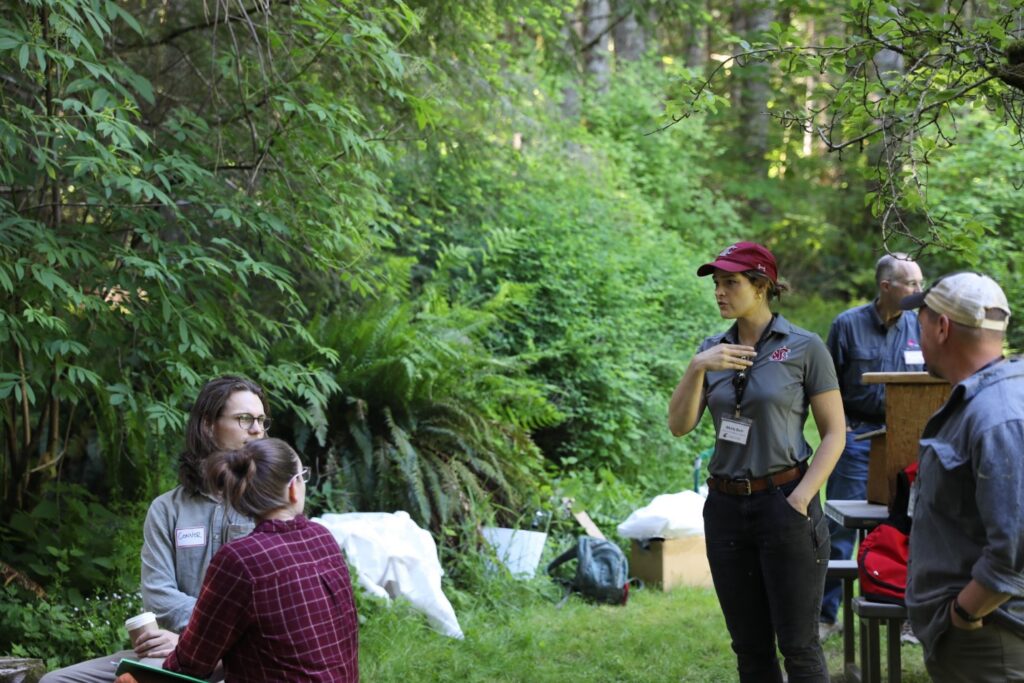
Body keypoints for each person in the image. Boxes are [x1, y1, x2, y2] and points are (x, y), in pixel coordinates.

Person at [668, 241, 845, 682]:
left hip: (784, 503)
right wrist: (697, 367)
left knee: (799, 647)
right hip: (726, 509)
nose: (719, 292)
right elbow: (678, 425)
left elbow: (835, 434)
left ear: (762, 286)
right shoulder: (712, 350)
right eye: (716, 284)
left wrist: (801, 499)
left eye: (731, 283)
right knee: (749, 648)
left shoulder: (804, 348)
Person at [41, 375, 269, 683]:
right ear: (207, 425)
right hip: (172, 650)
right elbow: (158, 595)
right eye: (245, 419)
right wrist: (189, 641)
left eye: (261, 420)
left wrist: (201, 641)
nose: (257, 430)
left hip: (243, 653)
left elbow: (273, 604)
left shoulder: (269, 505)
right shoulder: (167, 509)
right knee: (55, 681)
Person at [899, 272, 1024, 682]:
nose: (918, 334)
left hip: (990, 640)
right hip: (977, 637)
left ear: (942, 326)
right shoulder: (986, 400)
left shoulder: (997, 414)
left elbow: (1015, 548)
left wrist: (964, 614)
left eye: (920, 321)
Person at [163, 438, 358, 682]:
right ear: (292, 488)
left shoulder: (240, 560)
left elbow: (191, 663)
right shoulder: (322, 538)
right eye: (302, 476)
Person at [819, 253, 925, 637]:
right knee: (840, 528)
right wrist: (841, 429)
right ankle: (826, 615)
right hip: (857, 438)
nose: (919, 289)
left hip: (907, 443)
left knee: (910, 526)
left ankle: (907, 615)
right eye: (912, 283)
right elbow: (825, 385)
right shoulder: (847, 325)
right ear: (887, 286)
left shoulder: (919, 324)